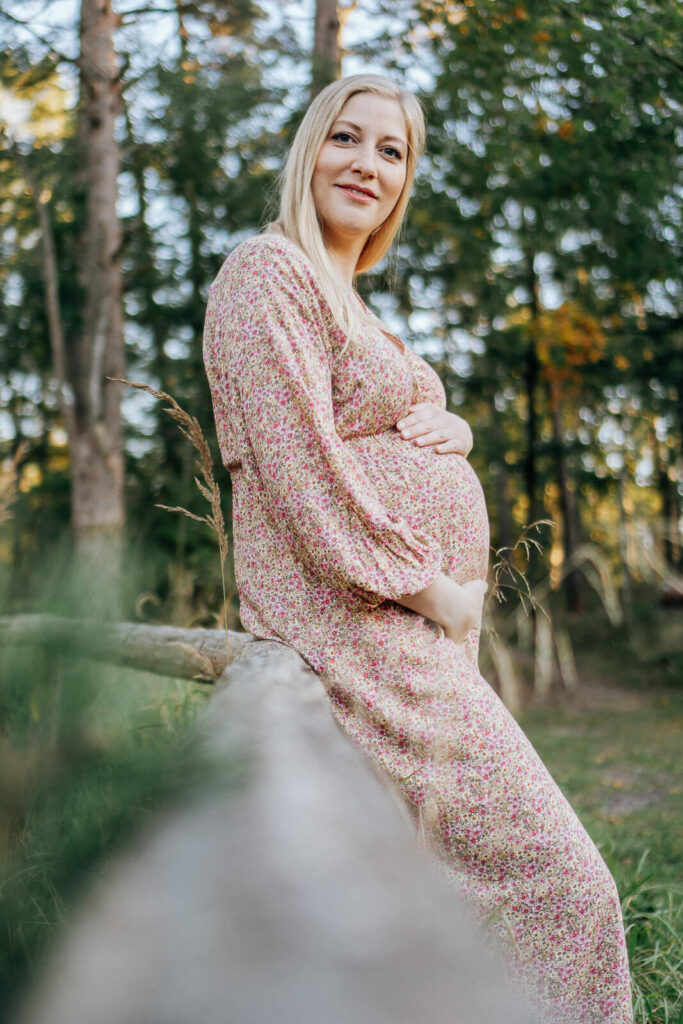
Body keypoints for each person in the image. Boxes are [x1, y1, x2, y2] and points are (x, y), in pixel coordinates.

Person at [202, 73, 633, 1023]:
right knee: (565, 889)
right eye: (345, 139)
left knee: (437, 891)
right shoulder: (263, 274)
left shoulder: (352, 306)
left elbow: (407, 403)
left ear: (405, 181)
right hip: (360, 624)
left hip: (404, 635)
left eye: (390, 151)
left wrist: (454, 429)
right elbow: (298, 469)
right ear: (308, 148)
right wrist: (430, 586)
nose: (366, 164)